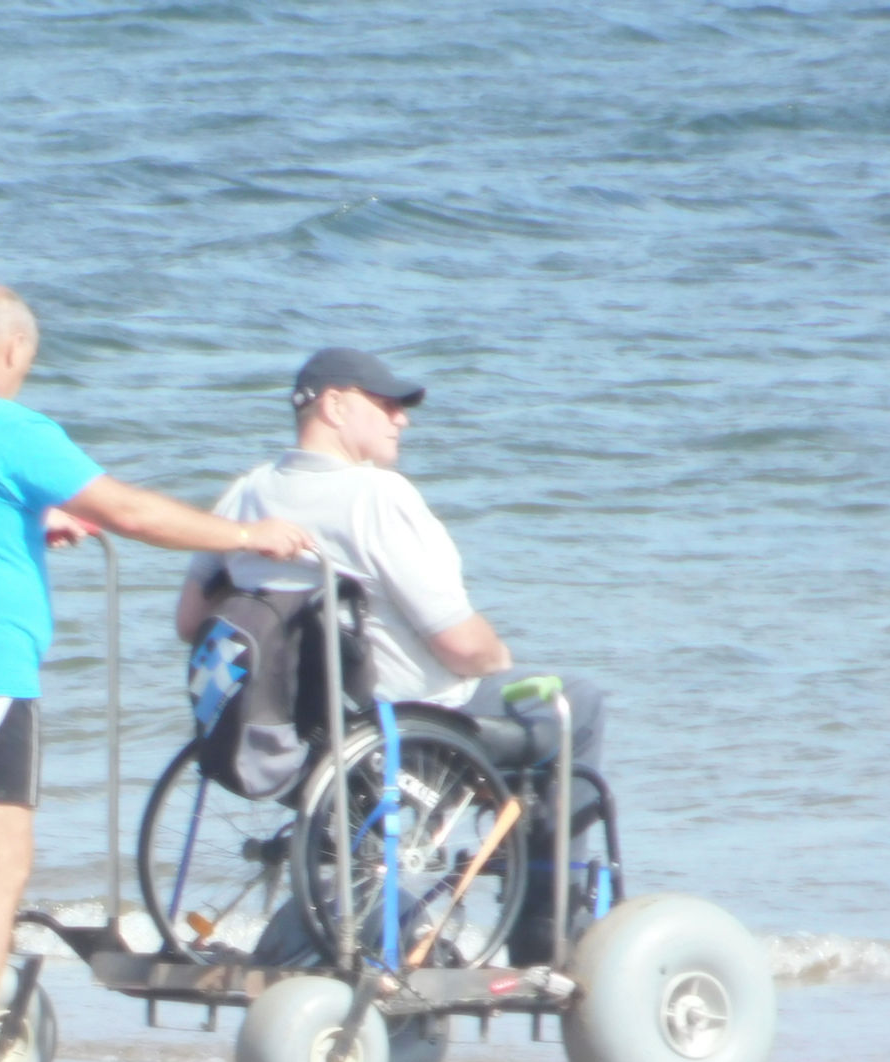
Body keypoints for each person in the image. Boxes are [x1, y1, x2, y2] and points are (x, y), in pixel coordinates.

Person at [0, 284, 313, 1062]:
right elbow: (132, 512)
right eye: (23, 366)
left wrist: (28, 530)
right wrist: (248, 536)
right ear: (12, 351)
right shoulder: (11, 426)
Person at [176, 347, 607, 962]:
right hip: (410, 716)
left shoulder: (245, 495)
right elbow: (460, 643)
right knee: (576, 704)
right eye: (386, 405)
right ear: (334, 404)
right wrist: (497, 657)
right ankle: (547, 925)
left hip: (304, 726)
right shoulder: (378, 497)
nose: (401, 419)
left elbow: (191, 620)